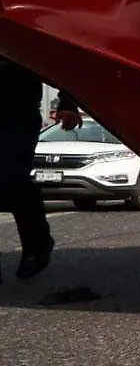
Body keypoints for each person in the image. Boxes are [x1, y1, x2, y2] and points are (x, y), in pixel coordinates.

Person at [0, 58, 81, 282]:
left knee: (11, 180)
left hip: (16, 116)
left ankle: (37, 244)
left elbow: (56, 57)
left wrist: (68, 103)